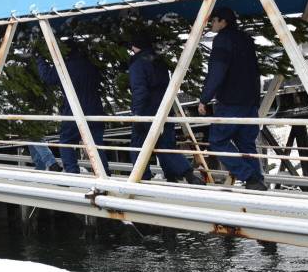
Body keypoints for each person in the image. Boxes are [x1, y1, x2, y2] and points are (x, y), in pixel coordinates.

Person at [198, 6, 267, 190]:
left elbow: (217, 72)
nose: (211, 23)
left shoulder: (222, 40)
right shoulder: (245, 39)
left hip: (231, 101)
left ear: (223, 22)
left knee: (218, 141)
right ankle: (257, 182)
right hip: (250, 100)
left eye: (214, 20)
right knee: (246, 143)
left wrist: (205, 98)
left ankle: (249, 176)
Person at [126, 32, 203, 185]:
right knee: (166, 145)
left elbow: (139, 90)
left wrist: (137, 114)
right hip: (164, 107)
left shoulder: (137, 64)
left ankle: (141, 177)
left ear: (135, 46)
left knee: (138, 145)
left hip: (147, 110)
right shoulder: (159, 61)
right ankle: (181, 174)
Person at [36, 43, 110, 175]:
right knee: (95, 145)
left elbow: (48, 77)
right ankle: (103, 173)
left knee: (67, 141)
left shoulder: (66, 66)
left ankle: (72, 172)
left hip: (74, 111)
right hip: (95, 110)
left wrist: (40, 59)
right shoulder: (91, 65)